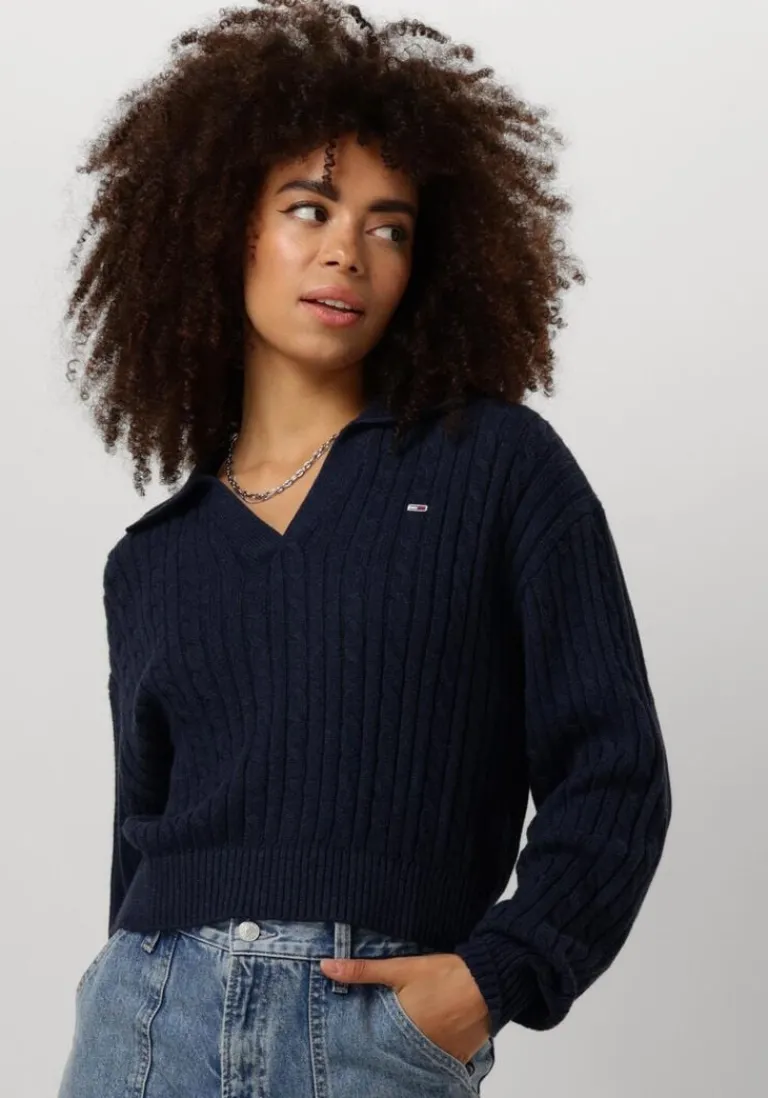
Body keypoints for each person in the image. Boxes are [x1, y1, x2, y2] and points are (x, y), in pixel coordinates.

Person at [57, 3, 673, 1095]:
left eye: (389, 227)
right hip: (144, 1027)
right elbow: (136, 849)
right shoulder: (152, 558)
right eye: (309, 208)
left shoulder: (496, 467)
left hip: (370, 1031)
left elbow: (615, 771)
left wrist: (496, 975)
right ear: (224, 227)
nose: (348, 249)